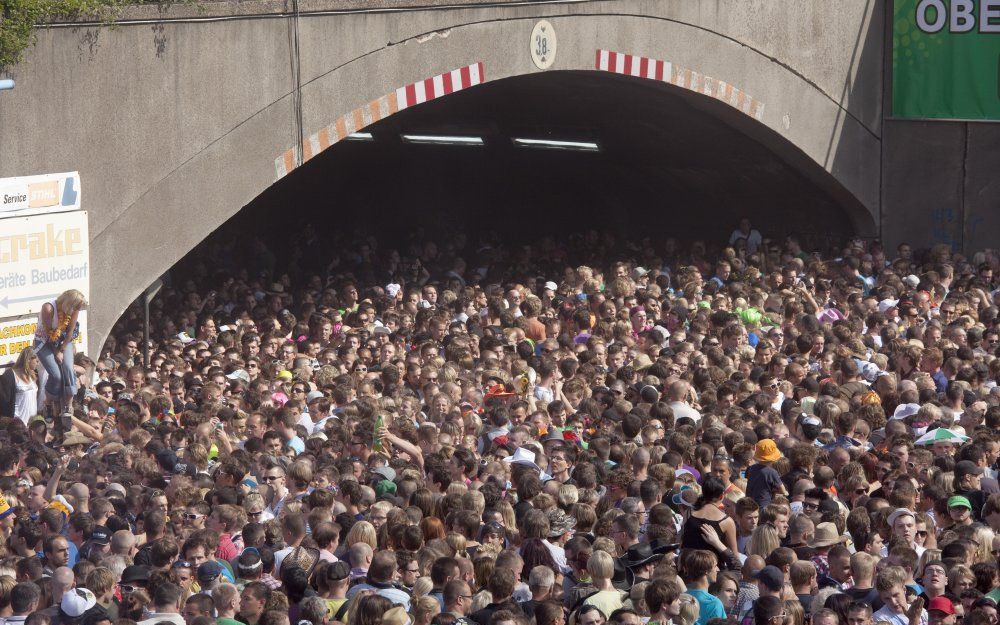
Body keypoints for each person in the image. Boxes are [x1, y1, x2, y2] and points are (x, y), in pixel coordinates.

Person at [33, 289, 86, 414]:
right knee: (56, 375)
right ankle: (49, 403)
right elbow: (49, 333)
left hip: (63, 340)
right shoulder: (48, 308)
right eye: (75, 306)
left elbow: (70, 332)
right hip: (44, 342)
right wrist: (56, 352)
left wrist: (62, 349)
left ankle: (68, 404)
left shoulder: (75, 309)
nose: (76, 309)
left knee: (68, 367)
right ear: (68, 302)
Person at [0, 347, 39, 423]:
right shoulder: (10, 375)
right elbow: (4, 402)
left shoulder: (33, 374)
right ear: (28, 359)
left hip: (32, 424)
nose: (38, 363)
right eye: (36, 361)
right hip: (17, 425)